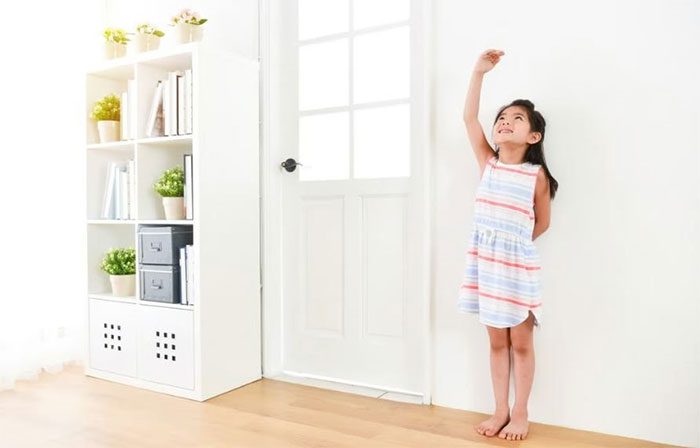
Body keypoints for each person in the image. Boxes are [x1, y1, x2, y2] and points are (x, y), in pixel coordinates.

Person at [457, 49, 559, 441]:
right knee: (496, 342)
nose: (504, 123)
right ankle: (499, 408)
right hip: (486, 268)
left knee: (521, 342)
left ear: (533, 136)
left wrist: (513, 247)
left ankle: (520, 412)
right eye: (502, 118)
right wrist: (478, 72)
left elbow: (543, 222)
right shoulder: (489, 164)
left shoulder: (536, 176)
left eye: (516, 119)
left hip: (517, 270)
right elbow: (468, 118)